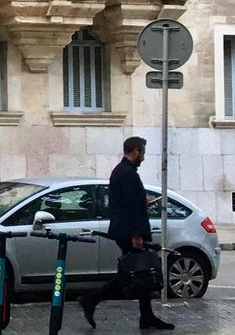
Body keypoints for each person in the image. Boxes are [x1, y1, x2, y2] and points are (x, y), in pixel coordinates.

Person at [79, 136, 175, 330]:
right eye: (143, 153)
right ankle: (91, 300)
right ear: (136, 151)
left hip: (126, 230)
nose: (144, 158)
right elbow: (129, 207)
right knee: (133, 273)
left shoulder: (122, 171)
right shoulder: (127, 173)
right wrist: (137, 235)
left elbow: (126, 202)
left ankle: (146, 317)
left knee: (139, 274)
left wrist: (143, 202)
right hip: (129, 232)